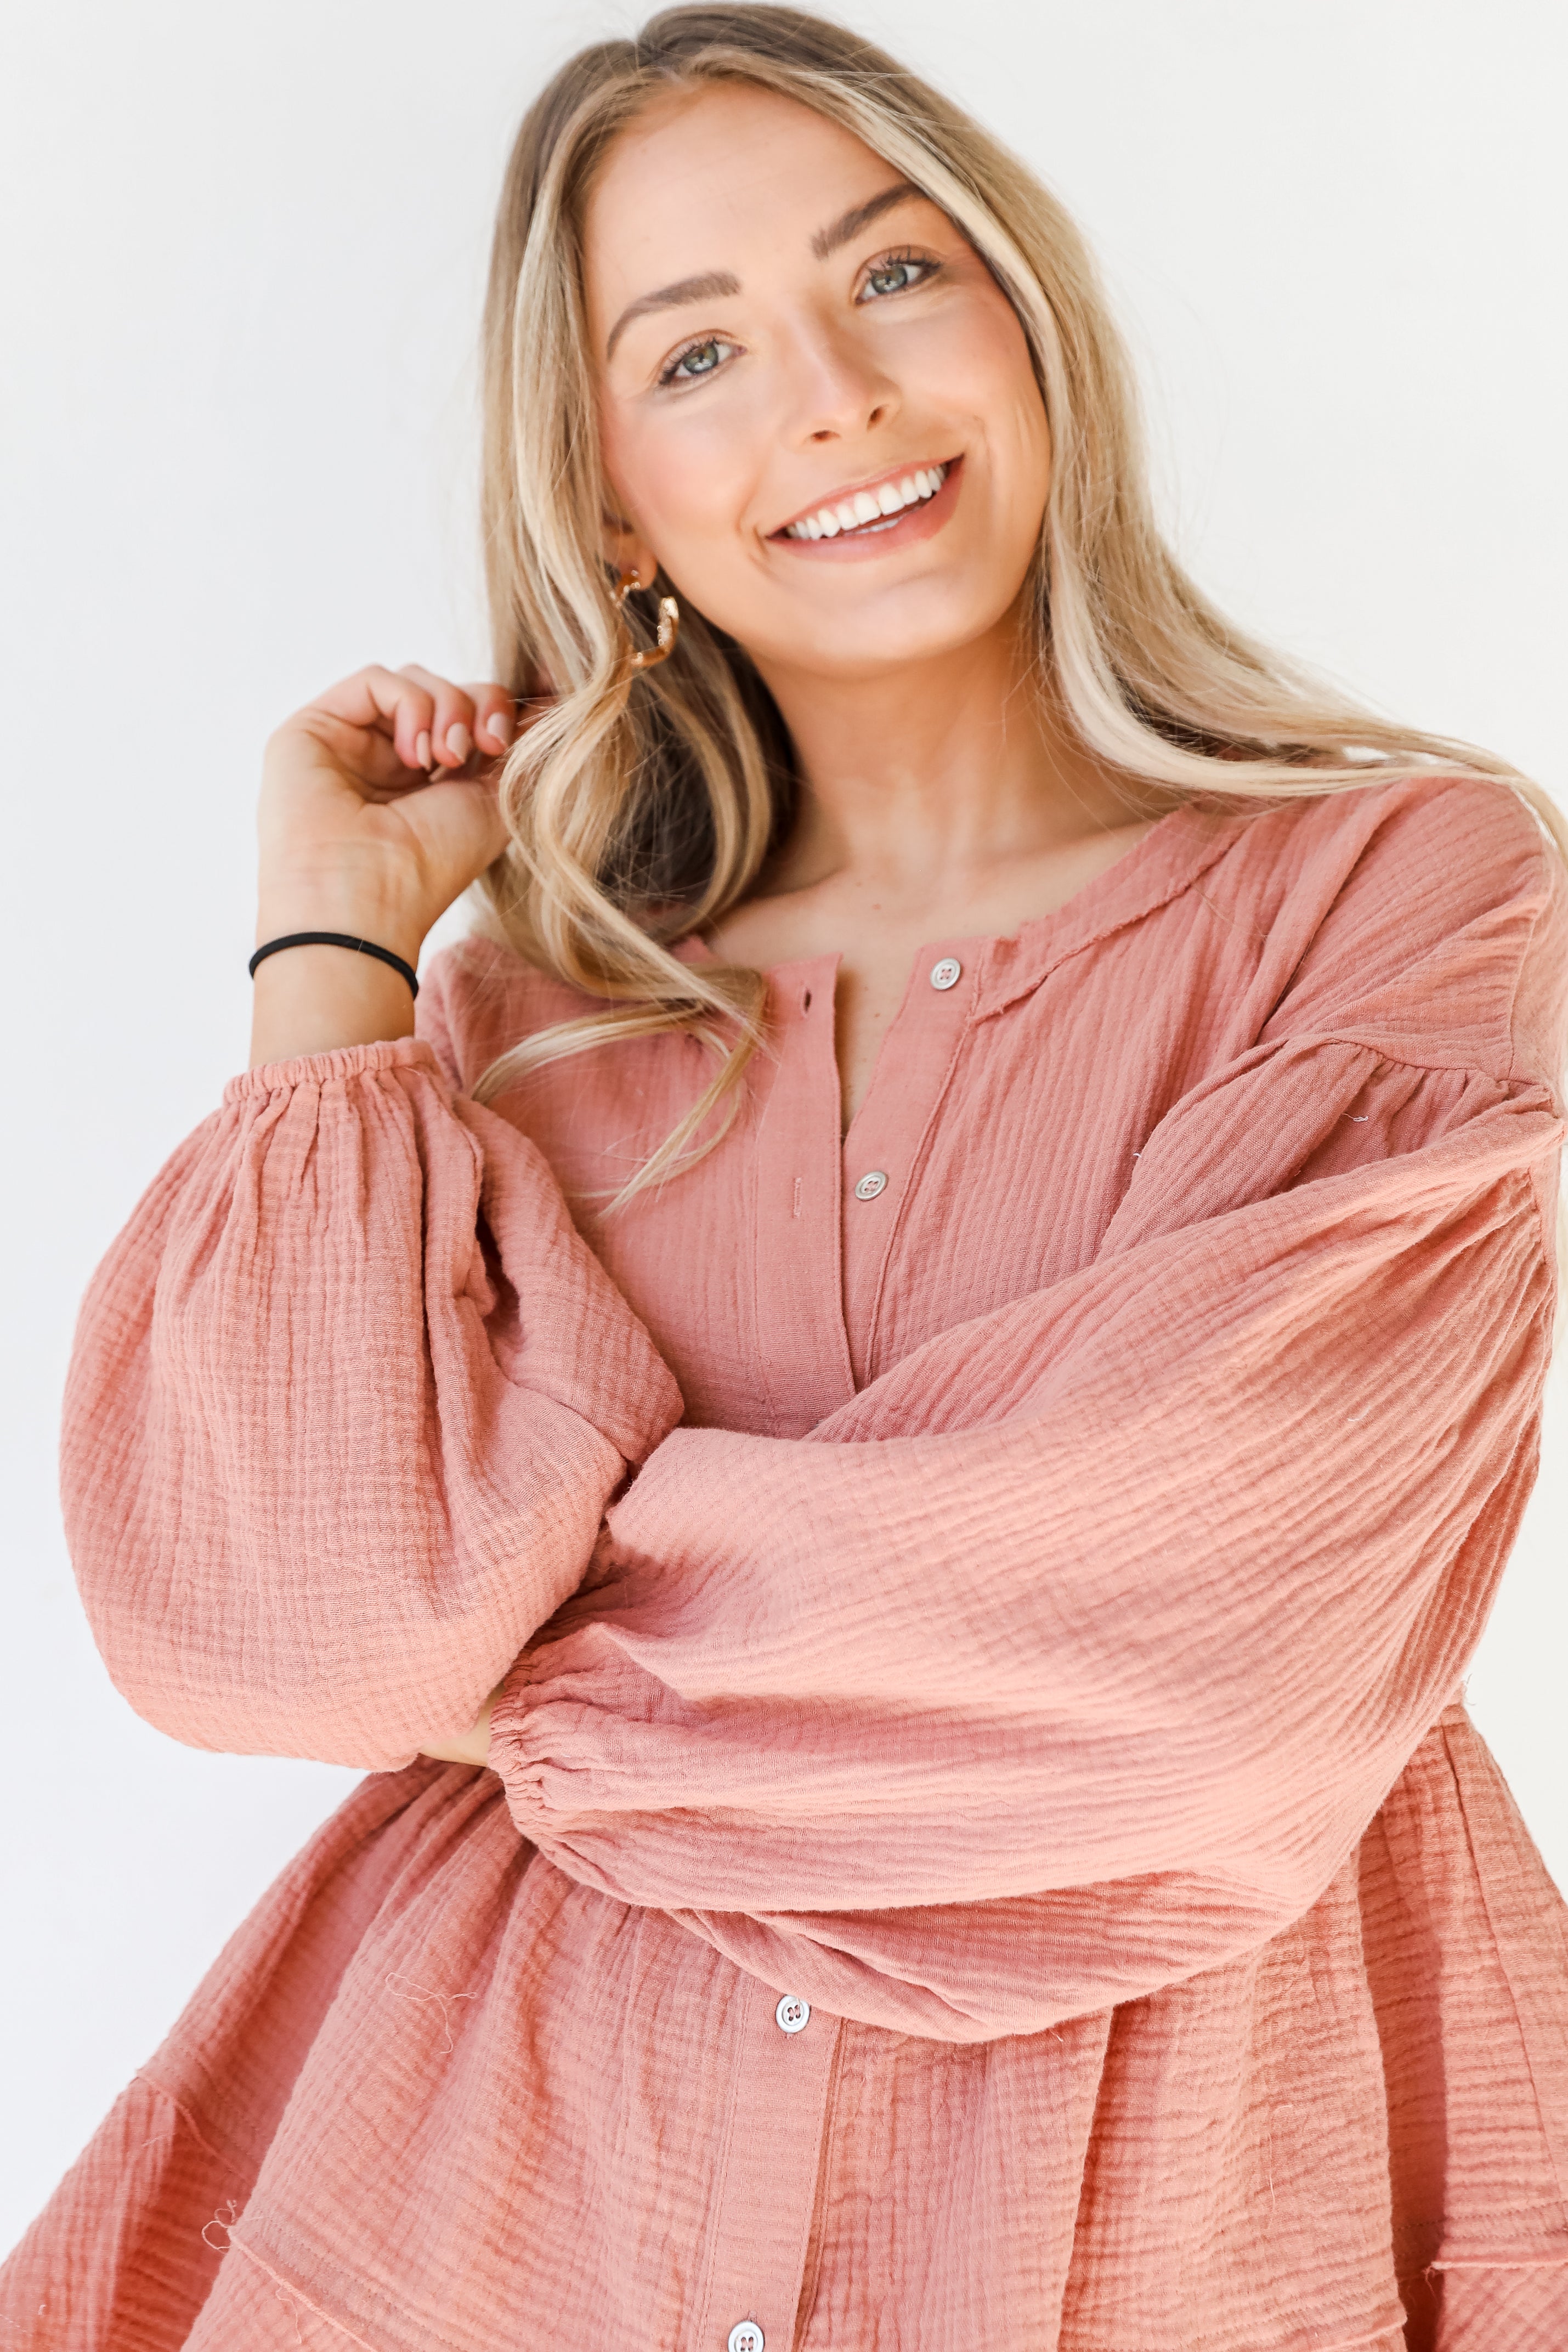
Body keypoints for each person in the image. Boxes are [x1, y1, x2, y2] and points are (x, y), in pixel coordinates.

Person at [5, 7, 1566, 2347]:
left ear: (1026, 323)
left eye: (895, 275)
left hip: (1194, 2182)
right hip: (510, 2196)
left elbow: (1182, 1660)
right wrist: (334, 948)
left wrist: (511, 1685)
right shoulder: (531, 1017)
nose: (828, 390)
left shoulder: (1399, 899)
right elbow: (276, 1635)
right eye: (701, 347)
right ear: (612, 491)